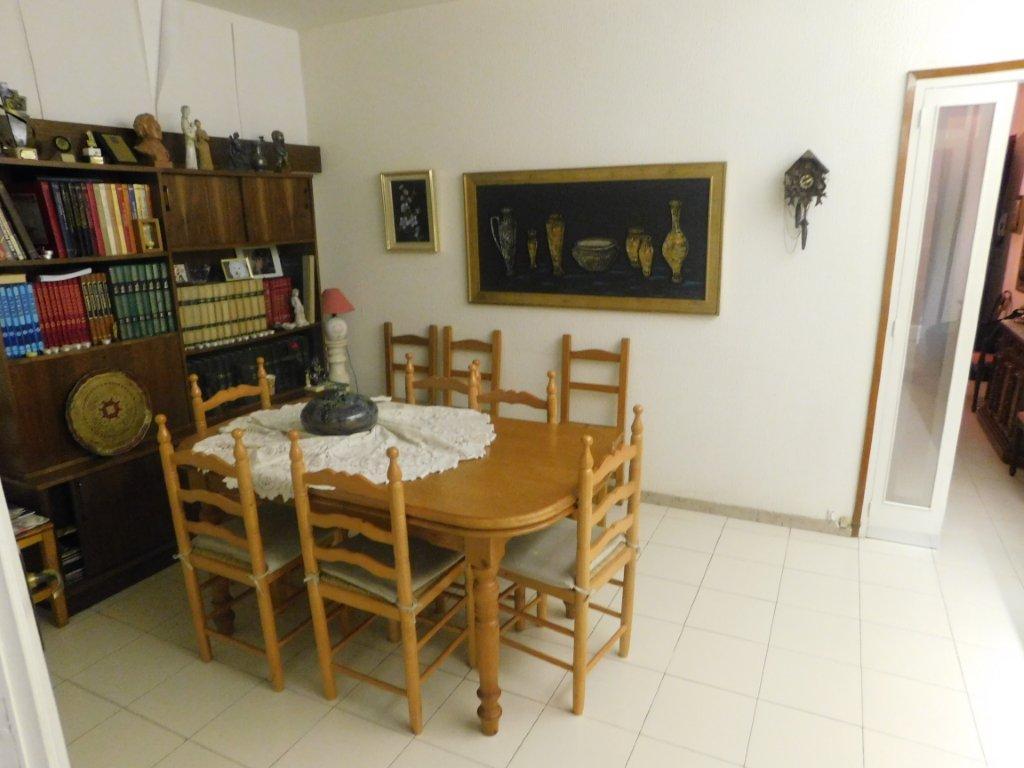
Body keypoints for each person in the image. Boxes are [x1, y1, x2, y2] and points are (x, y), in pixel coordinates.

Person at [181, 105, 197, 169]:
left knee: (192, 152)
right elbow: (186, 131)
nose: (187, 113)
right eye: (186, 111)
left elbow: (188, 129)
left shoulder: (186, 120)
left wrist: (191, 126)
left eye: (188, 111)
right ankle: (190, 166)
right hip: (189, 140)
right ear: (183, 112)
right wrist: (192, 128)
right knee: (190, 153)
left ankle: (192, 166)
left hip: (190, 140)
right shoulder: (184, 120)